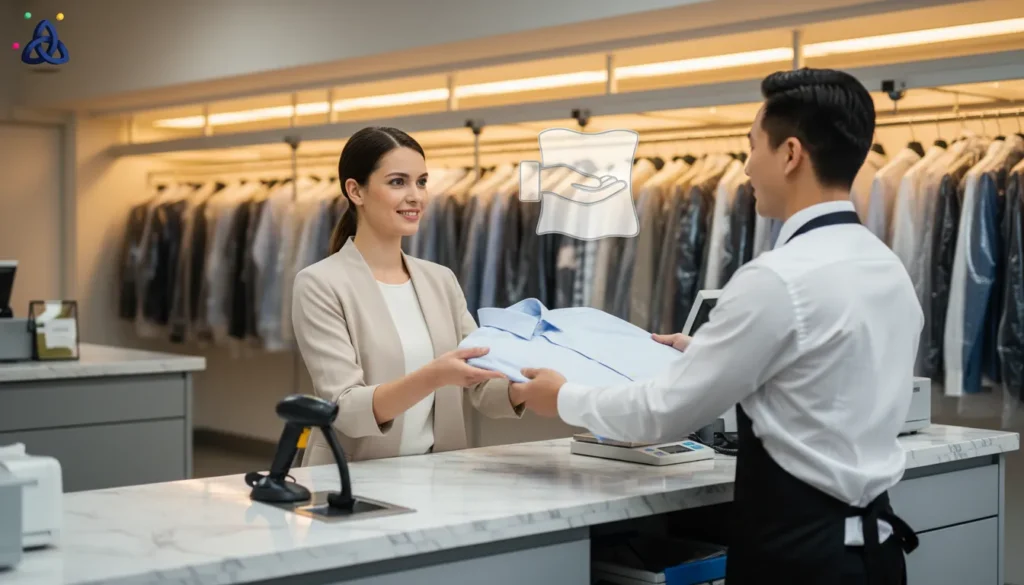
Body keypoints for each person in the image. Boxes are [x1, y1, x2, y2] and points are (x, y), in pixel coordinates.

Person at [509, 68, 923, 584]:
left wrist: (564, 396)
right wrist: (712, 353)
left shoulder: (776, 278)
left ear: (790, 154)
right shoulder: (888, 268)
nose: (746, 166)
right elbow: (824, 385)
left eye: (752, 147)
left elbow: (661, 413)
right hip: (878, 555)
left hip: (799, 561)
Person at [291, 126, 524, 465]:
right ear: (356, 191)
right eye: (398, 182)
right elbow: (345, 407)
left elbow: (480, 382)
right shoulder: (319, 284)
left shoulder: (440, 280)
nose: (416, 196)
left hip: (438, 475)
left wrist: (530, 387)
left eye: (422, 182)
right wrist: (435, 376)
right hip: (351, 481)